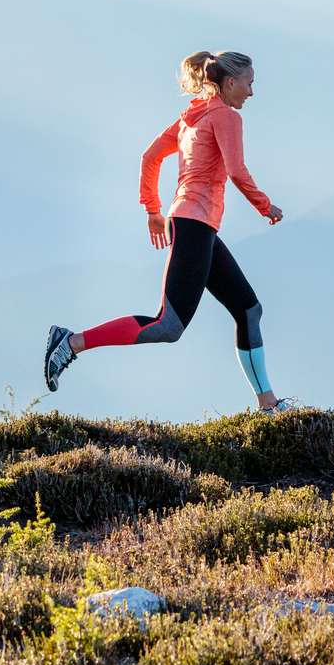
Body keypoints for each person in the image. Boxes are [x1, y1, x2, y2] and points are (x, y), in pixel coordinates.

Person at [43, 50, 298, 413]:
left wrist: (153, 211)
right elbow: (237, 170)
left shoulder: (192, 116)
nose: (251, 93)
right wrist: (265, 205)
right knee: (168, 326)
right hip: (194, 225)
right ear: (230, 83)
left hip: (195, 224)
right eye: (249, 84)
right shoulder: (224, 116)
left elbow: (150, 156)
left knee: (249, 310)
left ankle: (267, 405)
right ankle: (71, 342)